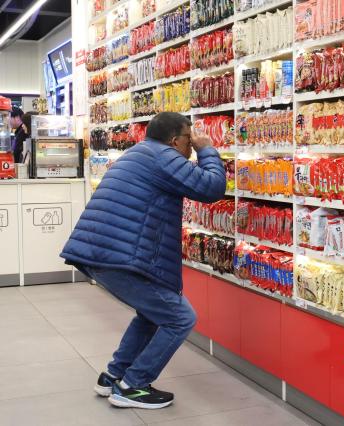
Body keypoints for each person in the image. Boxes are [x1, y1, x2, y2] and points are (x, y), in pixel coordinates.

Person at [60, 112, 226, 409]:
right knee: (180, 317)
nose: (191, 145)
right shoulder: (165, 157)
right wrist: (207, 150)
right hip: (119, 256)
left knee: (151, 314)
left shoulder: (139, 152)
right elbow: (211, 188)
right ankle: (133, 386)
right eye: (189, 138)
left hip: (106, 252)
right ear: (175, 140)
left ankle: (112, 376)